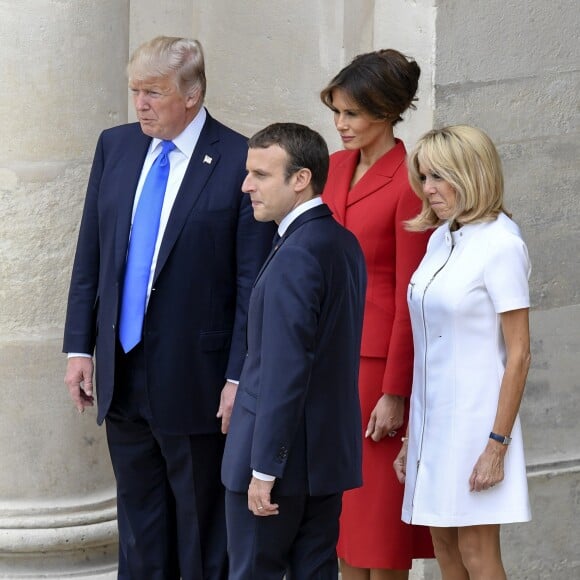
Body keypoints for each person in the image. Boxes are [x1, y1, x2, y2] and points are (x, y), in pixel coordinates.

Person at [62, 36, 274, 579]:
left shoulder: (238, 159)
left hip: (197, 381)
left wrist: (237, 376)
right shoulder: (117, 145)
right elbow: (93, 252)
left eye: (153, 92)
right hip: (121, 370)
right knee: (139, 528)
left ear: (193, 94)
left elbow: (252, 283)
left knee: (202, 536)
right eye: (135, 91)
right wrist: (78, 348)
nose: (141, 104)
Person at [221, 122, 367, 580]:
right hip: (323, 459)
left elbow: (286, 368)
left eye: (261, 175)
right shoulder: (340, 242)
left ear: (300, 179)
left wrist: (265, 468)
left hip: (278, 464)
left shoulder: (299, 253)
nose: (246, 186)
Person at [394, 125, 532, 579]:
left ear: (471, 174)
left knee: (476, 550)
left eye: (438, 177)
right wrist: (414, 435)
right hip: (433, 423)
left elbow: (518, 355)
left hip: (478, 424)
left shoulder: (502, 245)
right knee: (444, 547)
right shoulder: (440, 239)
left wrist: (497, 446)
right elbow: (431, 344)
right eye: (424, 177)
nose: (428, 189)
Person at [320, 50, 434, 578]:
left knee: (380, 524)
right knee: (341, 514)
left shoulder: (411, 180)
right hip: (328, 355)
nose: (340, 125)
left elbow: (414, 296)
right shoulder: (335, 166)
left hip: (375, 366)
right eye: (337, 112)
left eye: (352, 114)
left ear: (386, 112)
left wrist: (396, 391)